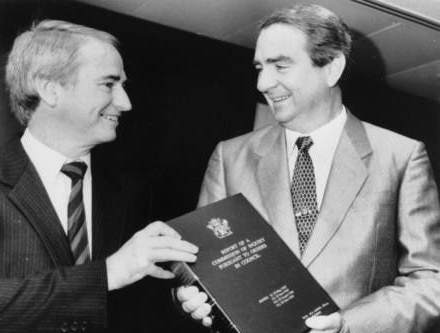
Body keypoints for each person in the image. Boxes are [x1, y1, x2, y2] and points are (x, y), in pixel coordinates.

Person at [177, 4, 440, 333]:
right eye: (259, 67)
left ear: (332, 68)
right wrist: (189, 296)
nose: (262, 82)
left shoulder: (401, 156)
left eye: (280, 66)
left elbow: (430, 281)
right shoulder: (230, 157)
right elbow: (202, 269)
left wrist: (348, 325)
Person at [0, 20, 199, 332]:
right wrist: (106, 274)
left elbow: (135, 307)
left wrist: (181, 304)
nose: (125, 103)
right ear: (50, 89)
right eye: (109, 84)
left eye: (123, 86)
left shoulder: (131, 193)